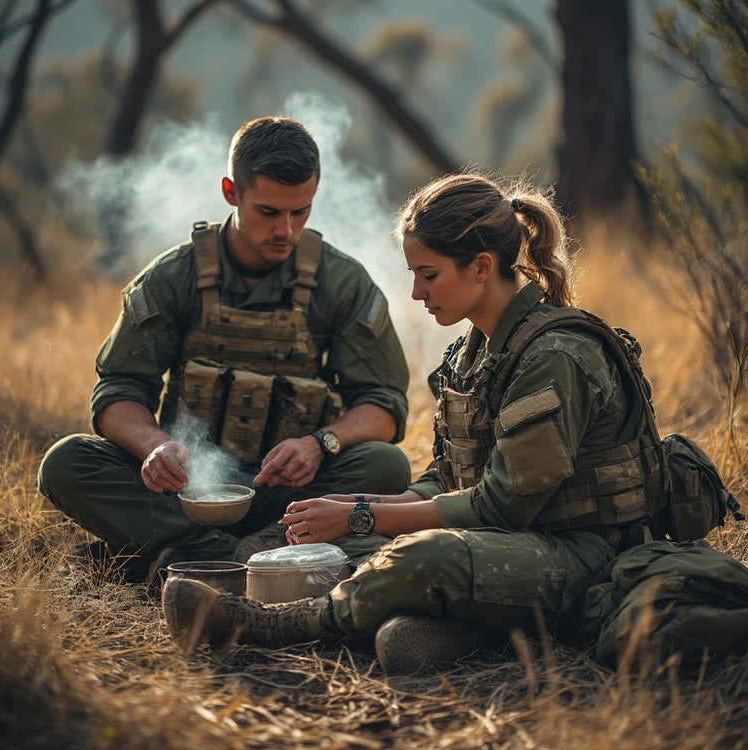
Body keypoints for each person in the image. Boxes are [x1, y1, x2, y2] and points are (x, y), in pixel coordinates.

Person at [161, 169, 672, 673]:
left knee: (419, 557)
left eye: (428, 274)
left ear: (480, 266)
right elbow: (446, 479)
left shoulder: (554, 355)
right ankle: (453, 627)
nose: (416, 293)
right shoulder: (472, 352)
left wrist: (364, 512)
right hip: (507, 545)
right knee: (354, 547)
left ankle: (265, 625)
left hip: (581, 555)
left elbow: (502, 505)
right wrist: (352, 508)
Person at [37, 116, 411, 584]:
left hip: (288, 493)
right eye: (269, 212)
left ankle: (184, 554)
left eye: (302, 212)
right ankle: (241, 558)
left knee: (385, 465)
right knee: (66, 462)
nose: (287, 230)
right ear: (231, 192)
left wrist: (319, 444)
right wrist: (155, 448)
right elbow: (118, 392)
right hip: (185, 490)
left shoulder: (343, 282)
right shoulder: (175, 276)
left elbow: (385, 404)